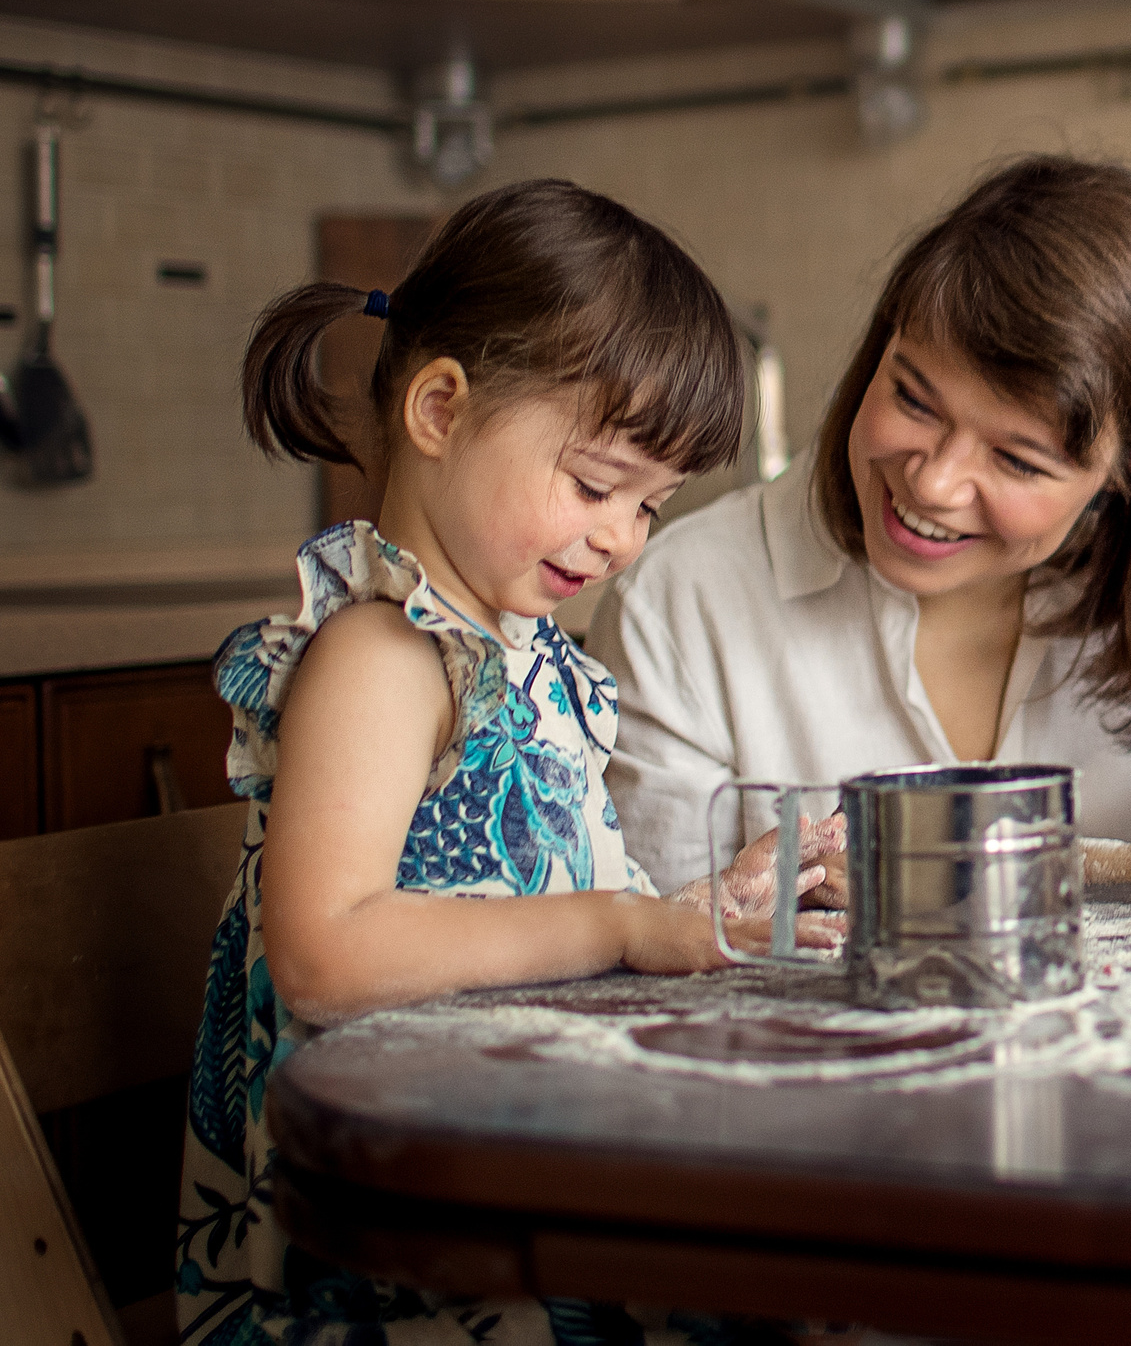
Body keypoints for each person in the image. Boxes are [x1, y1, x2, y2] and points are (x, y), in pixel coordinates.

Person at [180, 179, 820, 1345]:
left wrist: (697, 907)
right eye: (594, 484)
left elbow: (526, 890)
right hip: (396, 1254)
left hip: (507, 1175)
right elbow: (323, 954)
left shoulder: (515, 649)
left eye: (653, 505)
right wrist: (626, 924)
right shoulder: (385, 654)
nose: (624, 535)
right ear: (438, 406)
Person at [594, 154, 1131, 892]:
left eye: (1015, 460)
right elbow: (663, 956)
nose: (933, 482)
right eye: (911, 396)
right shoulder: (685, 600)